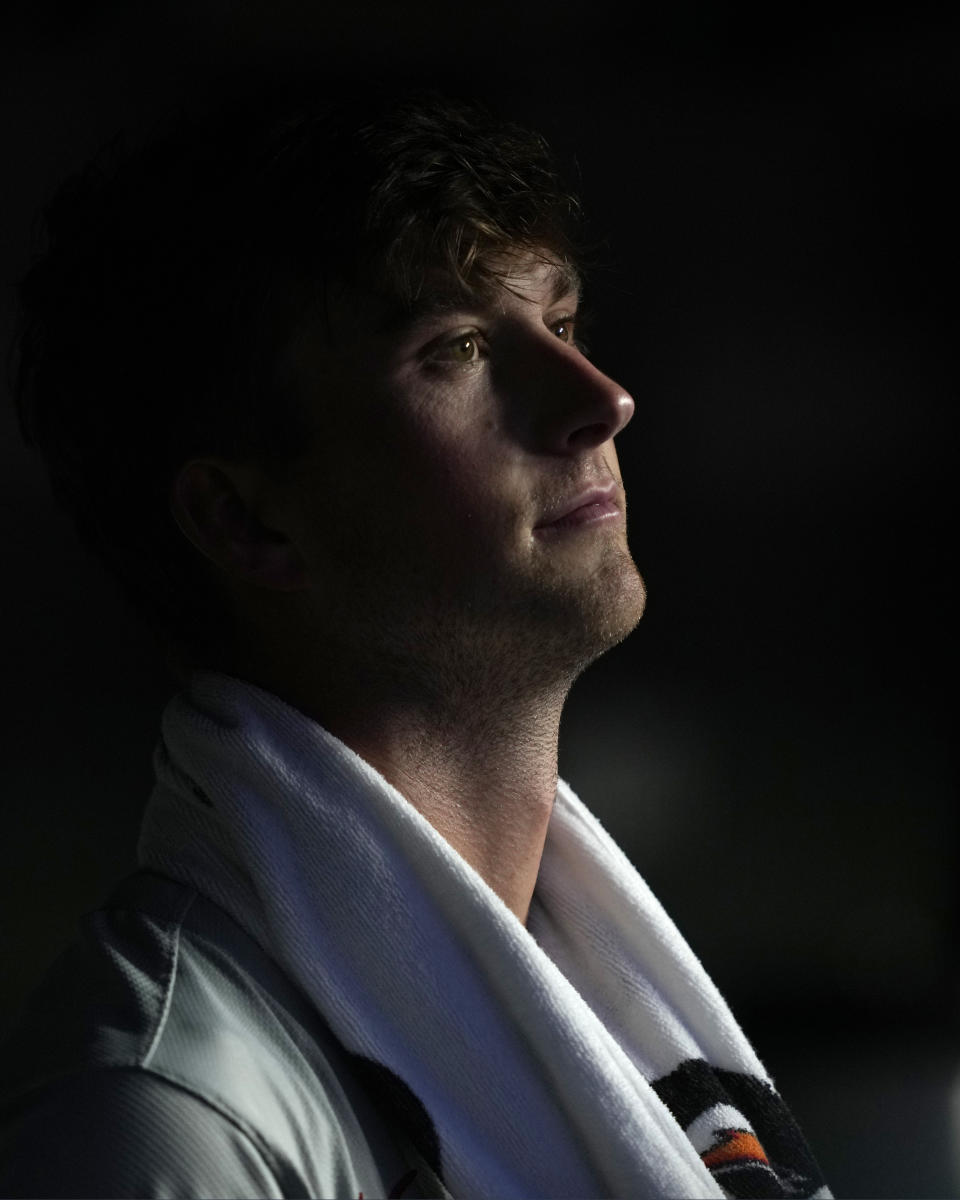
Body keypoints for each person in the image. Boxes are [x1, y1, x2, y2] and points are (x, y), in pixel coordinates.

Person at [0, 88, 830, 1198]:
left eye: (563, 323)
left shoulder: (587, 997)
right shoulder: (162, 1123)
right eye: (462, 348)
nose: (601, 400)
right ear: (248, 521)